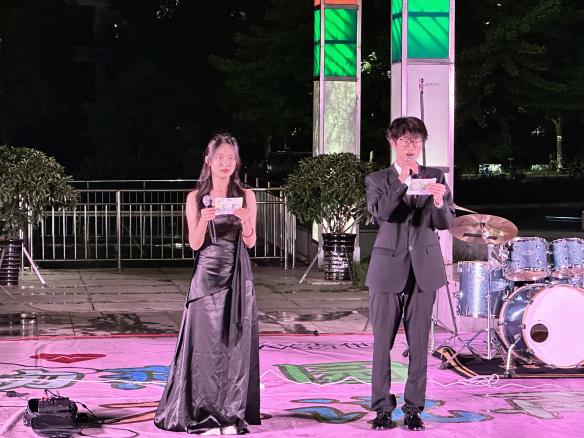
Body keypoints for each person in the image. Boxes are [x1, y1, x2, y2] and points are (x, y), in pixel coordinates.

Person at [155, 134, 260, 435]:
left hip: (237, 275)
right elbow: (194, 243)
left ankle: (230, 415)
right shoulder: (195, 197)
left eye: (231, 157)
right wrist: (203, 219)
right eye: (220, 157)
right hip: (206, 277)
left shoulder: (247, 195)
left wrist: (246, 221)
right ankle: (201, 413)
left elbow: (251, 242)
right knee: (203, 348)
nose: (226, 163)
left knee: (234, 348)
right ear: (208, 160)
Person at [365, 117, 454, 431]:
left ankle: (414, 408)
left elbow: (445, 223)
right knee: (382, 344)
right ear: (392, 142)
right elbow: (381, 214)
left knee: (418, 344)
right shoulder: (377, 179)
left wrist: (440, 200)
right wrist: (403, 182)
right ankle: (382, 408)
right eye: (404, 140)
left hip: (424, 269)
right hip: (387, 268)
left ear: (422, 144)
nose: (411, 146)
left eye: (416, 140)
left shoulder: (435, 176)